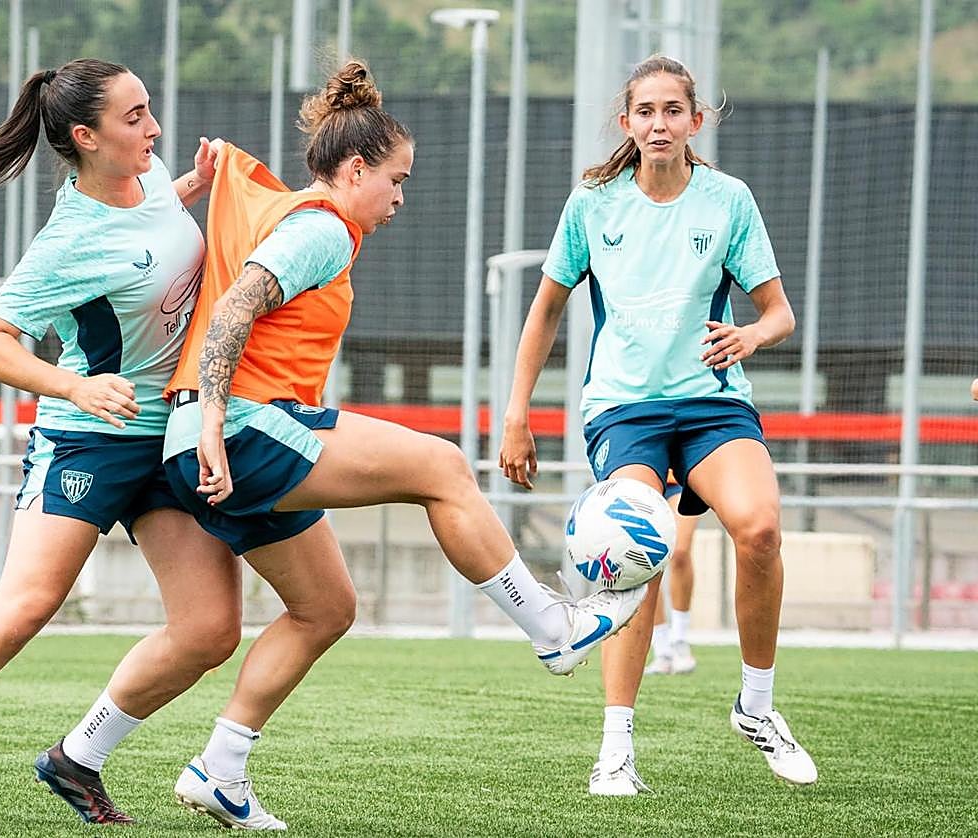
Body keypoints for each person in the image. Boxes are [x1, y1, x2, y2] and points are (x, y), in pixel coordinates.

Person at [157, 60, 645, 831]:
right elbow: (237, 308)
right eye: (395, 180)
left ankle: (221, 767)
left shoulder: (295, 210)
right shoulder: (323, 228)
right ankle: (553, 631)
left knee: (325, 607)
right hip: (236, 429)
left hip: (206, 437)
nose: (399, 199)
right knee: (443, 465)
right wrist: (215, 418)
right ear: (355, 170)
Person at [0, 59, 241, 831]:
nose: (153, 127)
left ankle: (77, 758)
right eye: (134, 118)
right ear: (85, 138)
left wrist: (189, 187)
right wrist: (75, 387)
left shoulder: (153, 173)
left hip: (169, 435)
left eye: (149, 109)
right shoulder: (68, 241)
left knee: (209, 631)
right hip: (87, 441)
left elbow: (155, 233)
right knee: (26, 604)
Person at [499, 54, 817, 796]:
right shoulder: (593, 202)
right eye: (646, 111)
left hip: (713, 403)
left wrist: (751, 337)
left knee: (760, 530)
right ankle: (616, 750)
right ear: (627, 123)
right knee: (631, 552)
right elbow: (546, 308)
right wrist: (516, 414)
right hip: (624, 407)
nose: (659, 124)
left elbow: (779, 312)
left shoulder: (729, 201)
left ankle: (758, 709)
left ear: (695, 121)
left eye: (673, 110)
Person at [643, 473, 701, 675]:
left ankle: (680, 640)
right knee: (648, 562)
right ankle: (662, 650)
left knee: (680, 552)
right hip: (647, 479)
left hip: (682, 479)